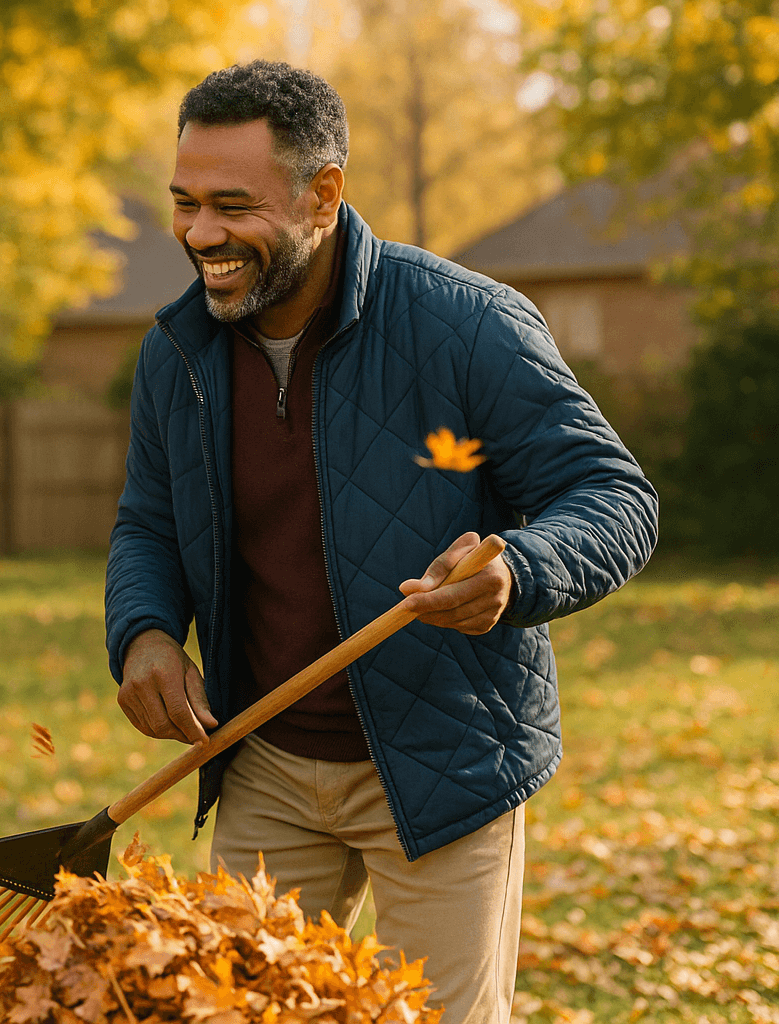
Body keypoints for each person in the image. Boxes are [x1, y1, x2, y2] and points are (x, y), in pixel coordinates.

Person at [105, 61, 656, 1024]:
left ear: (325, 195)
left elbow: (610, 496)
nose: (200, 235)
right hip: (264, 757)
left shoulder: (465, 324)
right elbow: (149, 518)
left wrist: (518, 571)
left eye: (233, 206)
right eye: (185, 204)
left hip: (439, 766)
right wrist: (145, 630)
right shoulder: (180, 349)